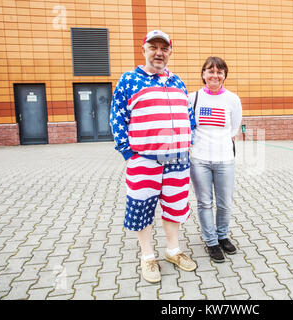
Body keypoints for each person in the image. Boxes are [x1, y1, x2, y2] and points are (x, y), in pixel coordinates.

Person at [109, 30, 197, 283]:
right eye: (153, 47)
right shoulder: (129, 80)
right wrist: (128, 153)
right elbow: (117, 118)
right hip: (144, 159)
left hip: (178, 160)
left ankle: (172, 251)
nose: (159, 52)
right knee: (141, 208)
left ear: (170, 52)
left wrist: (187, 143)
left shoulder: (177, 81)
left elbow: (188, 117)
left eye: (164, 48)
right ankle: (147, 257)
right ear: (144, 49)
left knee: (175, 206)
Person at [189, 56, 242, 263]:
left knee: (225, 203)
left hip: (225, 160)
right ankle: (211, 242)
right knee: (204, 202)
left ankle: (222, 236)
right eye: (210, 71)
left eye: (219, 72)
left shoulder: (232, 99)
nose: (215, 75)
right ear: (203, 74)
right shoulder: (192, 98)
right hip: (199, 160)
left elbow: (234, 127)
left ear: (224, 76)